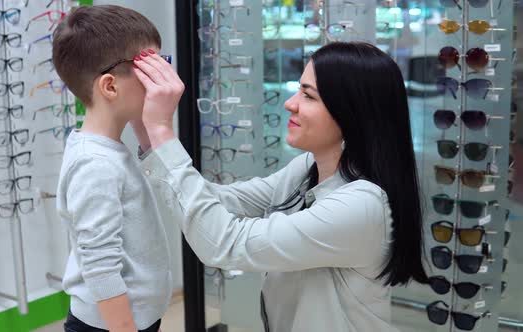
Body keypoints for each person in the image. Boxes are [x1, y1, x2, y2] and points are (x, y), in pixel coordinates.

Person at [130, 42, 429, 331]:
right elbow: (220, 201)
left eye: (309, 96)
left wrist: (163, 131)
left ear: (352, 113)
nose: (290, 103)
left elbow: (224, 242)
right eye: (299, 89)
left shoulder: (361, 206)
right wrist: (149, 134)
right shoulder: (309, 168)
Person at [53, 6, 171, 332]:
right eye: (150, 70)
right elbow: (101, 267)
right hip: (111, 325)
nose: (161, 80)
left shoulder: (106, 150)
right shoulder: (95, 165)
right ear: (110, 86)